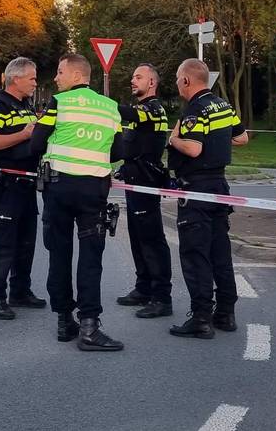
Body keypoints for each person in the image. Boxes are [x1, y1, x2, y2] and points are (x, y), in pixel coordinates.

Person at [29, 54, 126, 351]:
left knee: (59, 254)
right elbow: (119, 149)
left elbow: (36, 144)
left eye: (60, 72)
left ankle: (63, 321)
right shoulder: (111, 108)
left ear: (75, 75)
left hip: (58, 188)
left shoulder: (58, 103)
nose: (56, 78)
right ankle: (89, 327)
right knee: (90, 258)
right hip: (93, 190)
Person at [166, 59, 248, 340]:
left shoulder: (195, 110)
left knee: (195, 254)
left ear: (187, 80)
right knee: (219, 251)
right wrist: (219, 141)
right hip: (219, 188)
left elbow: (193, 148)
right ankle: (225, 313)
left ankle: (201, 317)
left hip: (197, 189)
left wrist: (173, 139)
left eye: (178, 79)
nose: (177, 84)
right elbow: (243, 138)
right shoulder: (222, 105)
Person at [0, 57, 46, 320]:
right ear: (15, 78)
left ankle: (20, 291)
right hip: (6, 184)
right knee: (3, 243)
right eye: (31, 78)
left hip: (26, 184)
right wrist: (26, 134)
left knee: (26, 242)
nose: (34, 82)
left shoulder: (26, 104)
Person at [114, 64, 173, 318]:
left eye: (138, 77)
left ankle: (162, 297)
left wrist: (97, 103)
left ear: (152, 83)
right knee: (138, 237)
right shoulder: (141, 110)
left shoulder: (153, 109)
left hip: (146, 182)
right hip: (133, 179)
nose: (132, 80)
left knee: (152, 239)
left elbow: (126, 113)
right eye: (132, 76)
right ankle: (143, 288)